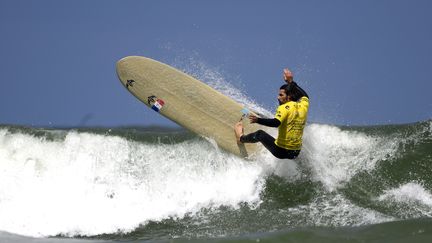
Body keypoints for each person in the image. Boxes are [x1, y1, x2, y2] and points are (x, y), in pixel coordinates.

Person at [234, 68, 309, 159]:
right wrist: (291, 82)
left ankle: (241, 138)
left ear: (289, 97)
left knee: (260, 134)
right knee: (284, 122)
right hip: (295, 153)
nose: (278, 97)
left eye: (281, 95)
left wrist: (258, 120)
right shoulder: (303, 106)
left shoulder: (285, 107)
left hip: (281, 151)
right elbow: (305, 96)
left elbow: (275, 123)